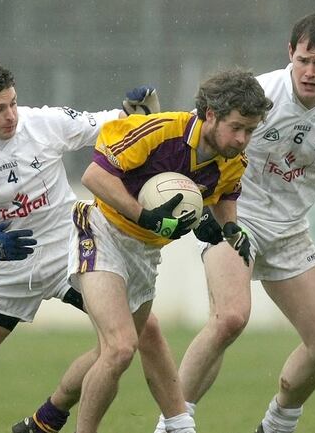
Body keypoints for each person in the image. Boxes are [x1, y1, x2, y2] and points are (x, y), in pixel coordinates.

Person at [0, 58, 162, 433]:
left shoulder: (41, 122)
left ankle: (50, 416)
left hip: (70, 249)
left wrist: (139, 114)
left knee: (131, 336)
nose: (11, 115)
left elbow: (115, 126)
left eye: (12, 103)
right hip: (6, 267)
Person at [152, 13, 315, 433]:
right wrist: (204, 206)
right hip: (236, 218)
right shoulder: (261, 95)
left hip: (290, 229)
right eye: (303, 60)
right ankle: (172, 425)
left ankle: (276, 424)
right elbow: (199, 135)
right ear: (289, 53)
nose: (310, 72)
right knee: (230, 319)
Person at [58, 68, 274, 433]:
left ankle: (50, 415)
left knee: (115, 351)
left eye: (250, 131)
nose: (242, 139)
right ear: (210, 114)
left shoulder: (233, 161)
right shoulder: (161, 130)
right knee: (120, 348)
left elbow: (225, 197)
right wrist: (144, 215)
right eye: (236, 127)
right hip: (101, 231)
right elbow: (94, 177)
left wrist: (230, 227)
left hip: (145, 253)